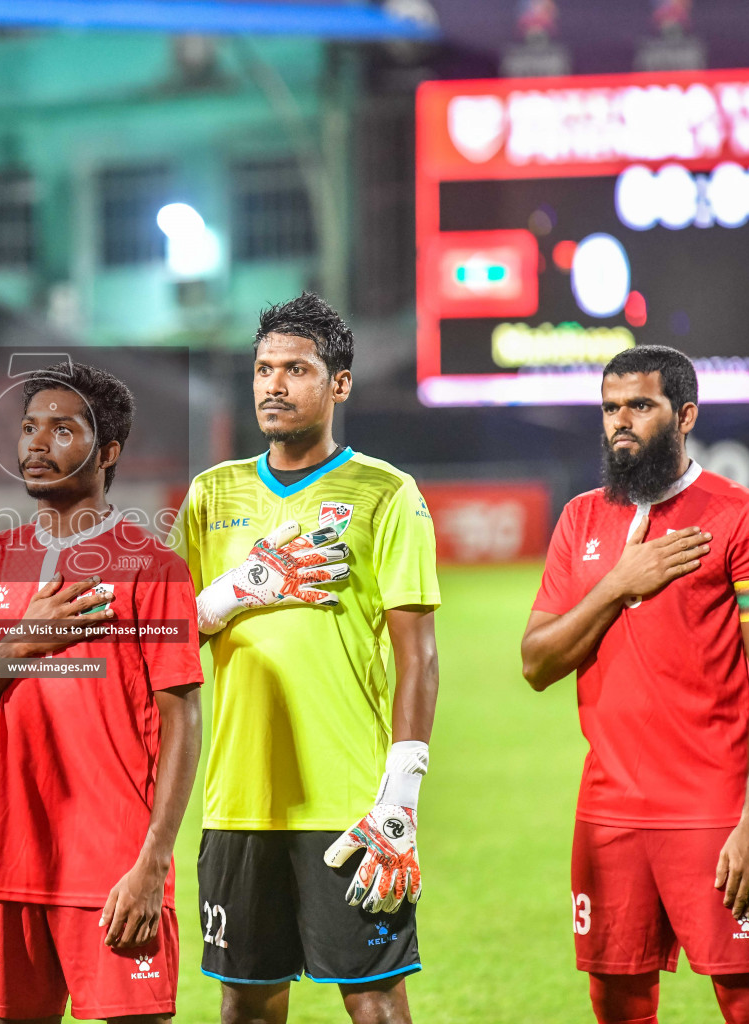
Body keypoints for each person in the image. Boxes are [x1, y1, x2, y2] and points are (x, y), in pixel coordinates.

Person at [170, 293, 441, 1024]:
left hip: (349, 799)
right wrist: (233, 593)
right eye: (263, 369)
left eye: (296, 369)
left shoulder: (385, 493)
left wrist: (400, 799)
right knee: (247, 1003)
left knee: (377, 999)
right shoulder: (210, 494)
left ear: (339, 383)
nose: (273, 385)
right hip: (240, 796)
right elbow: (161, 639)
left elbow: (418, 655)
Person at [521, 346, 749, 1024]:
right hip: (609, 813)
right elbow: (536, 663)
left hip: (711, 811)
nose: (622, 420)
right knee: (616, 1004)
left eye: (641, 406)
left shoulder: (742, 518)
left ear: (686, 415)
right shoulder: (582, 520)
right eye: (611, 407)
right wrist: (617, 583)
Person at [0, 362, 204, 1023]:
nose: (36, 443)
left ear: (108, 451)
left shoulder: (154, 569)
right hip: (12, 866)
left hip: (117, 871)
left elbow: (183, 722)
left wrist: (153, 864)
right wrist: (18, 647)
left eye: (62, 430)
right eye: (29, 427)